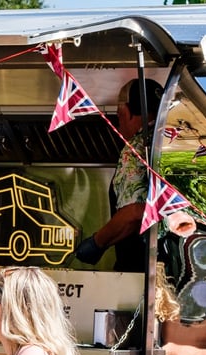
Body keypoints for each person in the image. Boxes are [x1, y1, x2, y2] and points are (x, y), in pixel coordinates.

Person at [74, 78, 165, 271]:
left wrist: (96, 243)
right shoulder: (172, 145)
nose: (118, 123)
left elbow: (133, 213)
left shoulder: (136, 148)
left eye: (118, 115)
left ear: (127, 111)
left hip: (138, 269)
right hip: (168, 267)